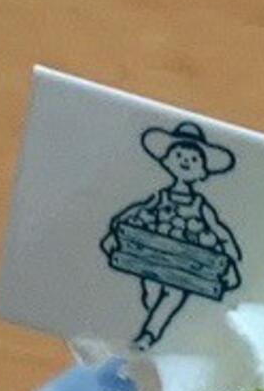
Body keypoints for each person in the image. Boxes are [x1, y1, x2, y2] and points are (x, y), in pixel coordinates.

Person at [99, 121, 243, 349]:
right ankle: (150, 339)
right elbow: (138, 210)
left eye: (194, 159)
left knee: (173, 292)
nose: (185, 161)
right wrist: (119, 222)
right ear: (167, 160)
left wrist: (229, 248)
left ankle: (148, 336)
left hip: (187, 261)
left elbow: (216, 227)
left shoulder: (199, 204)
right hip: (150, 253)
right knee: (151, 293)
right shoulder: (161, 197)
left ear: (202, 172)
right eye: (179, 155)